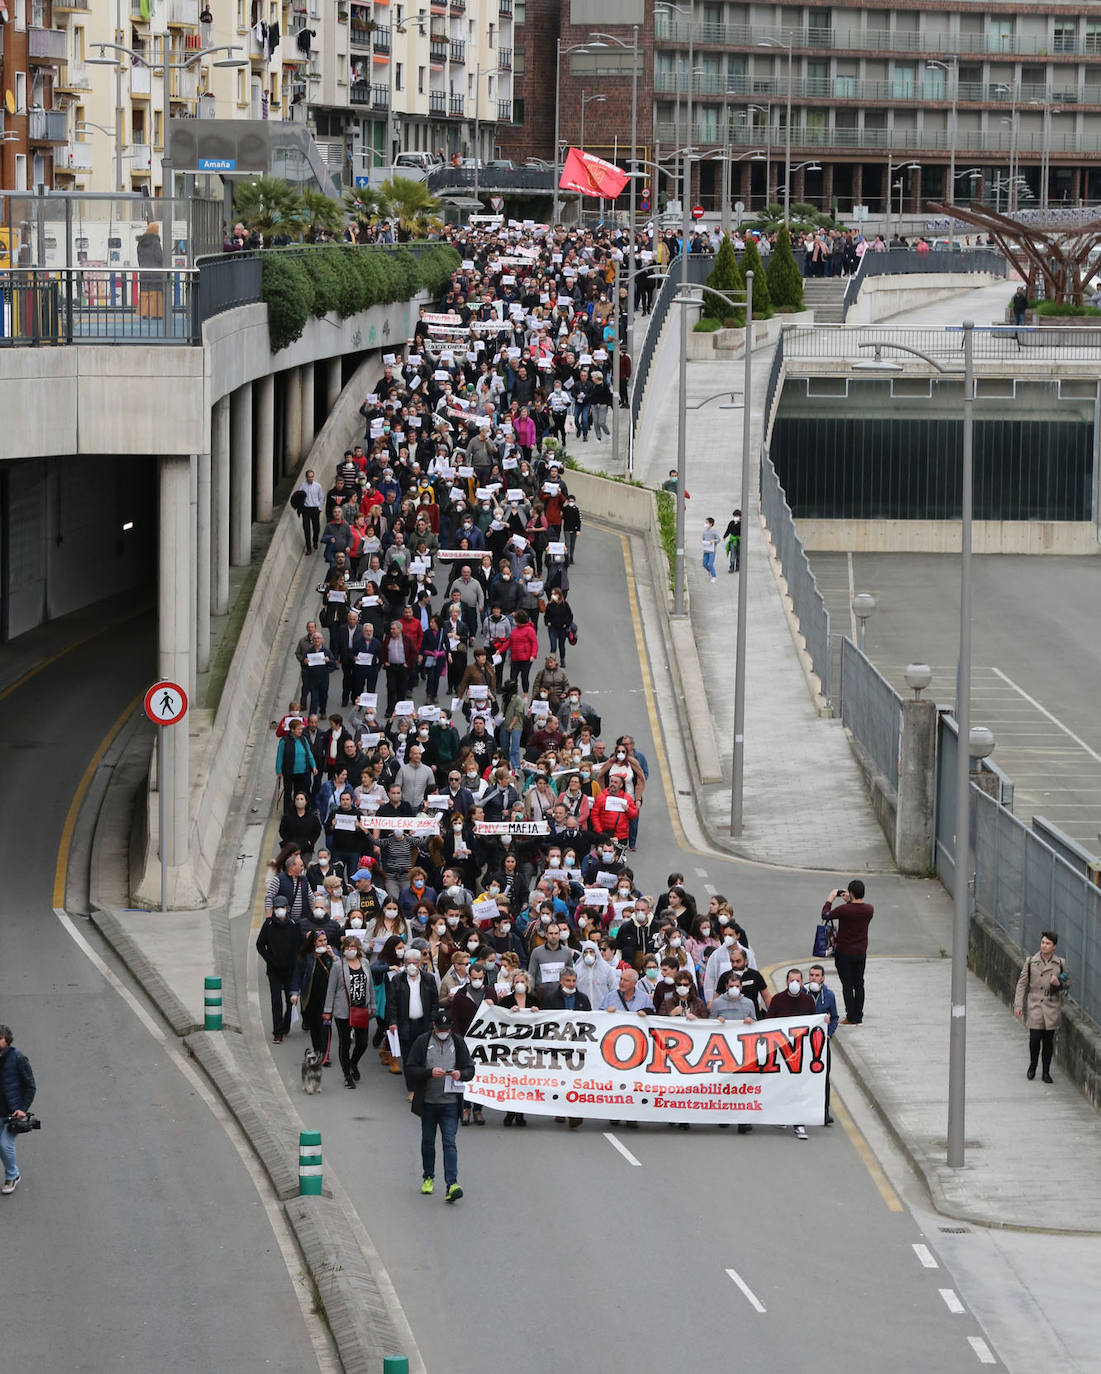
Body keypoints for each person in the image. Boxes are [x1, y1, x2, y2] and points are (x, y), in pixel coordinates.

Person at [406, 1007, 475, 1202]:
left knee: (449, 1142)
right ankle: (428, 1177)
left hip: (450, 1104)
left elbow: (470, 1069)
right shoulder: (422, 1042)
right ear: (434, 1026)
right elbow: (411, 1068)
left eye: (447, 1028)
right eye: (440, 1028)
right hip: (428, 1102)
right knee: (428, 1142)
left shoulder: (458, 1043)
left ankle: (451, 1184)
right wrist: (429, 1072)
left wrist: (460, 1074)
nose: (443, 1032)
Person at [766, 969, 817, 1140]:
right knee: (782, 1086)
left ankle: (799, 1124)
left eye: (797, 980)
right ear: (786, 982)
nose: (794, 983)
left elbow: (814, 1024)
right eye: (791, 980)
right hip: (782, 1053)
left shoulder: (808, 1001)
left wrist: (823, 1021)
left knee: (799, 1089)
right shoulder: (778, 1000)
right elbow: (768, 1024)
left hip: (801, 1054)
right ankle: (783, 1116)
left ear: (802, 982)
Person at [1014, 930, 1069, 1083]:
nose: (1044, 946)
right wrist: (1018, 1004)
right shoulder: (1031, 962)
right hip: (1035, 1005)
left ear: (1054, 946)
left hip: (1051, 1006)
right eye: (1043, 942)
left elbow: (1067, 984)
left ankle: (1046, 1071)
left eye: (1048, 943)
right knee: (1034, 1038)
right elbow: (1022, 984)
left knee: (1048, 1041)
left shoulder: (1060, 963)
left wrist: (1058, 984)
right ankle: (1033, 1065)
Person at [323, 934, 373, 1088]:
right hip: (343, 1010)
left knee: (363, 1043)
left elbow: (370, 986)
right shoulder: (338, 966)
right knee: (345, 1043)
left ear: (358, 949)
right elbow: (331, 989)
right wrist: (327, 1010)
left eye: (353, 947)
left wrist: (372, 1005)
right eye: (347, 947)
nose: (350, 950)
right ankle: (346, 1075)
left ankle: (353, 1063)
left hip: (361, 1008)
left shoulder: (365, 963)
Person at [822, 880, 874, 1025]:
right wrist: (849, 902)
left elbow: (825, 915)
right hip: (860, 952)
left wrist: (830, 899)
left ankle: (850, 1016)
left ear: (851, 893)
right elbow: (854, 913)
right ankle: (859, 1015)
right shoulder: (869, 909)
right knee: (859, 984)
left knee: (847, 985)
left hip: (844, 952)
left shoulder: (844, 910)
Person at [256, 895, 300, 1043]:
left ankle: (286, 1024)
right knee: (276, 1001)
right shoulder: (268, 925)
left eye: (282, 907)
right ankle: (278, 1031)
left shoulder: (294, 924)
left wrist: (294, 963)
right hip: (274, 970)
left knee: (290, 1001)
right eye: (276, 908)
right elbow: (260, 945)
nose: (279, 910)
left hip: (290, 969)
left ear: (287, 909)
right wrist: (271, 960)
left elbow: (298, 946)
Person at [0, 1025, 35, 1194]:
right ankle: (13, 1173)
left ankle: (12, 1176)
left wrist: (22, 1108)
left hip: (12, 1113)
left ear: (7, 1040)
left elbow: (30, 1086)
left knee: (5, 1145)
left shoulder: (17, 1058)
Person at [807, 963, 838, 1125]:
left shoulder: (829, 995)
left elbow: (835, 1017)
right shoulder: (803, 993)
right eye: (811, 975)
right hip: (804, 1043)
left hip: (821, 1043)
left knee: (824, 1077)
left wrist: (829, 1034)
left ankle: (824, 1110)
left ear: (823, 978)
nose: (813, 978)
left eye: (817, 975)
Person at [297, 468, 324, 553]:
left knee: (316, 528)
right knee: (306, 529)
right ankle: (308, 548)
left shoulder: (318, 486)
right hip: (306, 509)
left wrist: (319, 508)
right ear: (306, 477)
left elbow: (321, 498)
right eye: (309, 477)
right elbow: (299, 497)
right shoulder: (302, 486)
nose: (310, 478)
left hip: (315, 509)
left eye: (312, 477)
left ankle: (315, 541)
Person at [723, 509, 742, 573]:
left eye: (737, 516)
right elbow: (728, 530)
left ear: (740, 517)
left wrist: (738, 523)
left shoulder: (742, 524)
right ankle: (731, 567)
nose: (735, 517)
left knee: (739, 555)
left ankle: (738, 567)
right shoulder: (731, 523)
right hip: (732, 541)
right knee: (733, 555)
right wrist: (725, 536)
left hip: (740, 541)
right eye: (734, 516)